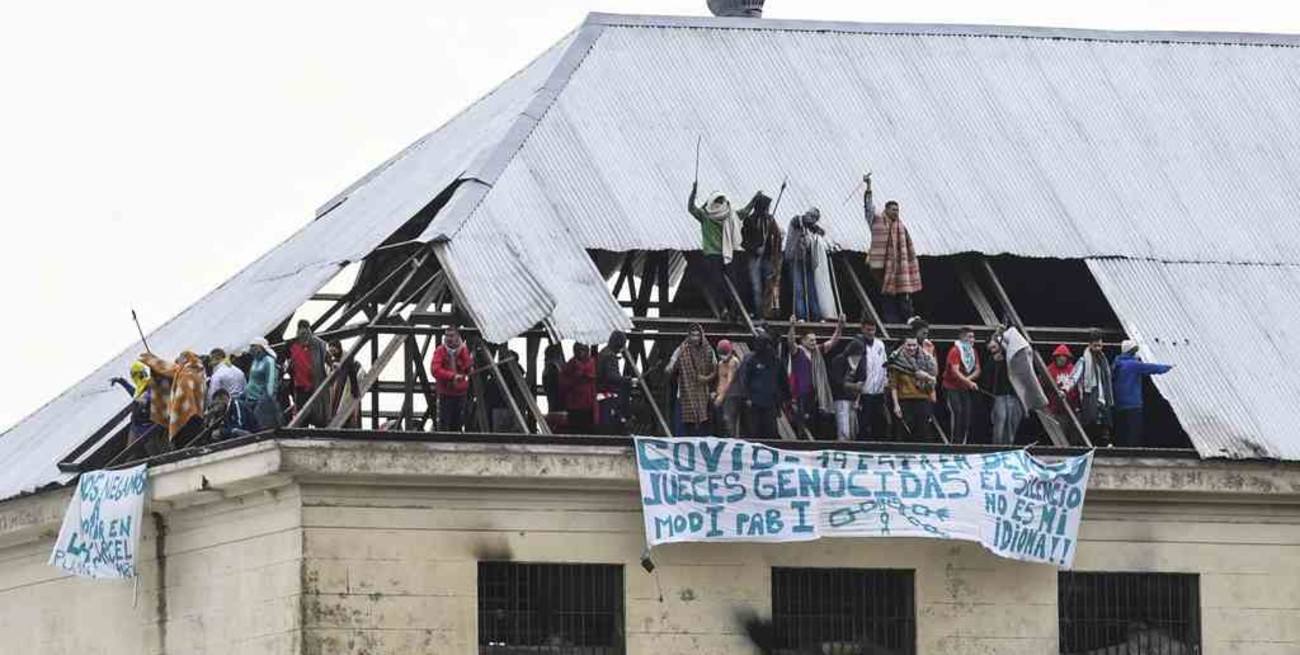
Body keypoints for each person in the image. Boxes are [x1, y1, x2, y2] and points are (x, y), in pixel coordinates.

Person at [864, 174, 922, 324]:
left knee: (903, 291)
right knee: (886, 294)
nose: (896, 212)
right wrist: (868, 186)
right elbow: (868, 207)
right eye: (893, 210)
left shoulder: (900, 226)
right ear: (886, 210)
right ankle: (891, 321)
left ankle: (909, 317)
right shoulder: (876, 220)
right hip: (880, 265)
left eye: (898, 210)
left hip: (898, 266)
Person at [687, 183, 743, 321]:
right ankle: (733, 310)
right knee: (732, 283)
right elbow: (744, 212)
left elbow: (691, 208)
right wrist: (754, 200)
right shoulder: (729, 215)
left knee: (716, 284)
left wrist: (694, 192)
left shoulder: (705, 215)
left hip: (712, 255)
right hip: (727, 254)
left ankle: (724, 309)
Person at [786, 315, 842, 438]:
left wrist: (840, 326)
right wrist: (792, 326)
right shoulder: (798, 352)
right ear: (803, 341)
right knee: (803, 424)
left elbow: (833, 341)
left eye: (815, 340)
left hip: (816, 395)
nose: (814, 342)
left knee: (817, 424)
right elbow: (790, 342)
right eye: (811, 340)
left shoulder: (818, 351)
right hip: (802, 395)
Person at [1111, 340, 1173, 447]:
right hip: (1133, 405)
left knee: (1122, 432)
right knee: (1134, 433)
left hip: (1119, 404)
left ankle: (1121, 451)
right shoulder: (1133, 364)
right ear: (1132, 351)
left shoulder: (1117, 364)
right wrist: (1169, 367)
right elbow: (1153, 368)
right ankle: (1133, 454)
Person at [140, 350, 208, 448]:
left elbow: (173, 372)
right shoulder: (196, 371)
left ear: (185, 359)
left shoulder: (187, 374)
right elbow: (169, 369)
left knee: (186, 444)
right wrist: (153, 360)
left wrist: (175, 413)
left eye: (179, 359)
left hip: (189, 418)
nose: (177, 362)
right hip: (198, 415)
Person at [738, 192, 784, 319]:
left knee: (768, 285)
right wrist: (755, 249)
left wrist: (776, 241)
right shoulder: (749, 220)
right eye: (766, 207)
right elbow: (743, 242)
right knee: (756, 286)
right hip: (755, 258)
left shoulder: (770, 219)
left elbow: (777, 236)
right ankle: (757, 312)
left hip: (768, 258)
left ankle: (766, 312)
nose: (768, 209)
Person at [667, 324, 717, 436]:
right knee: (682, 428)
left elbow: (715, 370)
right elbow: (672, 364)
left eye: (697, 335)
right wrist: (670, 367)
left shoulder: (709, 351)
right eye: (693, 335)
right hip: (684, 395)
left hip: (702, 395)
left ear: (701, 336)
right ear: (689, 336)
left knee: (701, 429)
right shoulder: (682, 349)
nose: (695, 338)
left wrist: (706, 378)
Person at [1067, 330, 1115, 445]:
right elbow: (1074, 377)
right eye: (1095, 345)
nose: (1098, 348)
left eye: (1100, 345)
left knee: (1104, 428)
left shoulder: (1103, 361)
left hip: (1103, 399)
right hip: (1089, 399)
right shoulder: (1083, 361)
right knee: (1091, 426)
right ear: (1090, 345)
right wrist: (1065, 390)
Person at [739, 332, 789, 438]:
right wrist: (747, 397)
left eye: (769, 344)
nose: (768, 347)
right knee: (753, 431)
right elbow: (745, 379)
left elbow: (783, 381)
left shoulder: (777, 362)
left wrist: (786, 398)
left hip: (771, 402)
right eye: (765, 344)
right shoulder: (751, 360)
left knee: (770, 431)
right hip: (754, 402)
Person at [887, 337, 937, 441]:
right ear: (903, 346)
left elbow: (933, 379)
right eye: (909, 345)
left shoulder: (926, 359)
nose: (912, 348)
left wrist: (926, 377)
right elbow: (893, 386)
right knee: (903, 433)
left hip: (923, 400)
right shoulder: (896, 361)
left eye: (914, 345)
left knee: (924, 433)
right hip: (905, 401)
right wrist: (896, 405)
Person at [849, 322, 890, 441]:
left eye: (873, 330)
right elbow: (852, 367)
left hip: (878, 391)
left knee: (879, 423)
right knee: (863, 424)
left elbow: (884, 365)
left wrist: (885, 383)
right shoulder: (856, 345)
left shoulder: (880, 344)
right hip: (863, 392)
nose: (870, 332)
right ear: (862, 329)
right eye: (868, 330)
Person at [942, 327, 982, 444]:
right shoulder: (955, 350)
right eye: (970, 337)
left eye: (973, 337)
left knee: (966, 415)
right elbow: (955, 371)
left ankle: (963, 443)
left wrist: (967, 381)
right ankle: (953, 443)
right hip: (951, 387)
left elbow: (978, 370)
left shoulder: (973, 352)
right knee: (957, 413)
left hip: (963, 387)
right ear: (962, 338)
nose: (972, 339)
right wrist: (969, 382)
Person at [287, 320, 330, 427]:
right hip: (300, 385)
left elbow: (327, 357)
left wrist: (333, 363)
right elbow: (285, 360)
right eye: (301, 330)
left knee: (318, 411)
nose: (303, 333)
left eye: (305, 330)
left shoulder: (318, 344)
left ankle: (319, 430)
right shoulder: (293, 344)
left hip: (315, 383)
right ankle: (303, 432)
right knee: (302, 412)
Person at [785, 209, 826, 322]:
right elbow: (800, 222)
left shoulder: (810, 227)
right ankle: (801, 316)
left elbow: (821, 232)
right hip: (795, 258)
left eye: (815, 219)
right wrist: (813, 227)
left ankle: (816, 316)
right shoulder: (797, 220)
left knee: (811, 289)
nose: (813, 220)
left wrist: (817, 230)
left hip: (807, 260)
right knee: (798, 289)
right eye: (812, 217)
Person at [431, 327, 472, 432]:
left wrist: (469, 368)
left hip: (460, 393)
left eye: (451, 335)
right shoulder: (440, 351)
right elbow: (435, 370)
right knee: (444, 423)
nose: (448, 338)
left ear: (458, 337)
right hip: (446, 393)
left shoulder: (463, 350)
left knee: (458, 423)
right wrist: (452, 376)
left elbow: (468, 367)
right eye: (447, 335)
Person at [110, 361, 160, 446]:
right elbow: (134, 393)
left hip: (148, 427)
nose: (133, 378)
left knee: (153, 450)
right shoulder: (140, 388)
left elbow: (146, 398)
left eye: (134, 375)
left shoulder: (150, 385)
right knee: (130, 450)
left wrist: (142, 400)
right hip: (135, 426)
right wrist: (122, 382)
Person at [597, 331, 636, 434]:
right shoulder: (610, 356)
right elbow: (612, 377)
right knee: (612, 424)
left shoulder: (602, 352)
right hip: (609, 395)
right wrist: (627, 379)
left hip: (600, 394)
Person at [986, 337, 1023, 446]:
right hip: (999, 395)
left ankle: (1008, 447)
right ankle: (997, 448)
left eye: (994, 347)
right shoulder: (991, 361)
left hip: (1014, 395)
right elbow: (988, 379)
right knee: (1000, 422)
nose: (993, 350)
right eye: (991, 349)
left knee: (1012, 423)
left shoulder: (1010, 355)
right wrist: (994, 361)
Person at [243, 338, 283, 431]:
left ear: (261, 347)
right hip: (250, 399)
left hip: (261, 401)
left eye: (253, 346)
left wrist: (267, 398)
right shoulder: (255, 361)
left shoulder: (269, 361)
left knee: (261, 426)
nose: (251, 349)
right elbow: (251, 380)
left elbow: (271, 382)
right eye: (250, 347)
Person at [829, 340, 865, 441]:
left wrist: (857, 399)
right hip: (840, 397)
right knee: (844, 428)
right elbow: (836, 381)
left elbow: (862, 379)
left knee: (853, 429)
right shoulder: (839, 360)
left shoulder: (861, 361)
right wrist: (853, 386)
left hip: (853, 398)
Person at [325, 340, 364, 429]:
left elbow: (355, 374)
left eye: (334, 351)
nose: (333, 354)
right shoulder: (332, 362)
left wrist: (355, 390)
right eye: (331, 352)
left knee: (349, 414)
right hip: (337, 393)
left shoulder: (348, 359)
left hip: (348, 391)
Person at [561, 343, 597, 434]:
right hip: (578, 403)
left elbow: (564, 382)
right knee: (578, 428)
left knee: (583, 429)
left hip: (584, 403)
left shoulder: (572, 363)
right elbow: (564, 382)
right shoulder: (572, 364)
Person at [713, 339, 743, 437]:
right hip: (721, 395)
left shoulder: (733, 362)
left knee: (728, 420)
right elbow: (720, 380)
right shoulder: (720, 364)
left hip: (732, 395)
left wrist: (721, 397)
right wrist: (716, 393)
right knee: (719, 421)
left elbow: (729, 381)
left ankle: (732, 440)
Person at [1046, 344, 1081, 416]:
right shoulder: (1049, 369)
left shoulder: (1072, 369)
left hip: (1070, 408)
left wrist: (1077, 405)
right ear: (1056, 358)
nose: (1061, 361)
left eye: (1063, 359)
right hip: (1054, 408)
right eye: (1059, 359)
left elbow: (1076, 387)